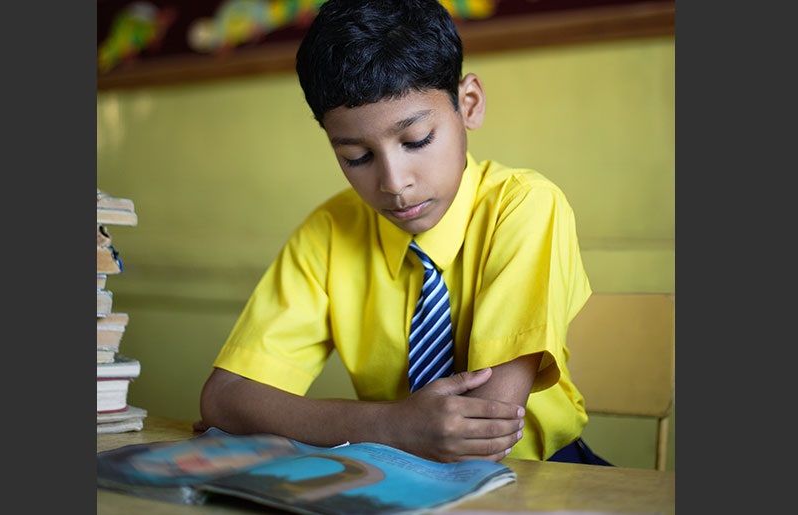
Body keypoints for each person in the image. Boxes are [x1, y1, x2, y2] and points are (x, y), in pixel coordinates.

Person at [197, 0, 610, 466]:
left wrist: (315, 422)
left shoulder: (524, 206)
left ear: (468, 104)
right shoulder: (329, 231)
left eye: (416, 141)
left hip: (542, 476)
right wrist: (390, 425)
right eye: (356, 156)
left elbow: (487, 426)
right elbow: (226, 398)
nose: (394, 183)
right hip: (392, 469)